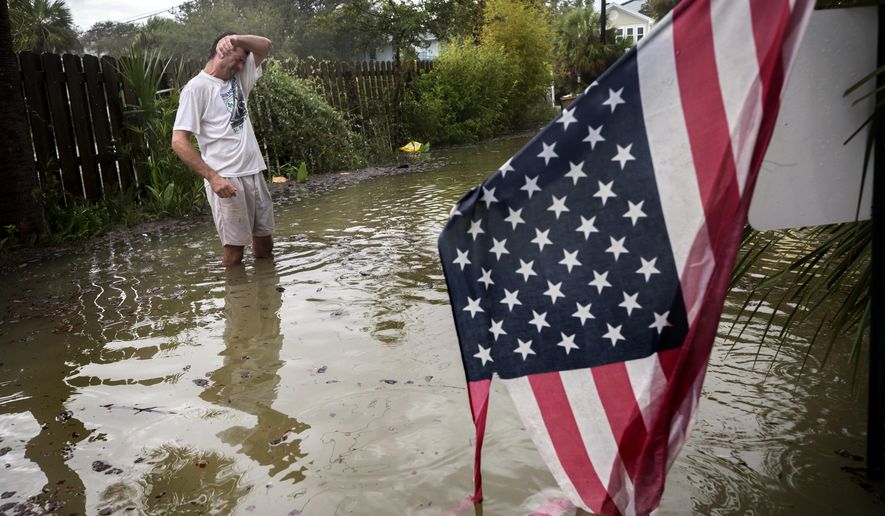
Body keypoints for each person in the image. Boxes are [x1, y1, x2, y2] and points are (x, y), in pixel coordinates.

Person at [172, 32, 274, 267]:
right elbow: (178, 141)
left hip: (254, 171)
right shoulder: (195, 89)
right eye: (238, 60)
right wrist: (213, 177)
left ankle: (265, 297)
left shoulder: (238, 79)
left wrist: (237, 39)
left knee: (264, 243)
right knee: (235, 251)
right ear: (221, 52)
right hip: (226, 178)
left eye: (243, 62)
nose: (242, 66)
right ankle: (237, 301)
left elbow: (266, 46)